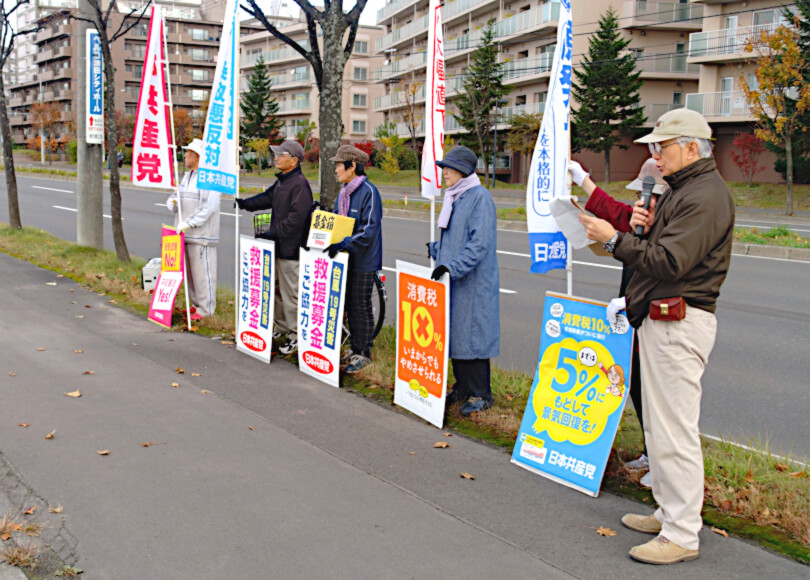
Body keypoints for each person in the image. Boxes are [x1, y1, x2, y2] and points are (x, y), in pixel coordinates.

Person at [578, 109, 735, 565]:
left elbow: (670, 262)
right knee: (659, 427)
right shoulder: (686, 190)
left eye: (662, 147)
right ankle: (671, 512)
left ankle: (683, 532)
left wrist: (614, 240)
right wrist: (637, 229)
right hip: (662, 317)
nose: (655, 155)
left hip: (680, 319)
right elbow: (659, 249)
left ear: (690, 147)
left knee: (675, 430)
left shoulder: (704, 195)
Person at [568, 157, 668, 487]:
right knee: (638, 387)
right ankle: (650, 453)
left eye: (648, 195)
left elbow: (664, 270)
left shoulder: (670, 226)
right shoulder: (639, 219)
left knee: (659, 399)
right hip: (634, 318)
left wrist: (630, 301)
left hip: (656, 319)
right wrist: (583, 180)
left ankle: (664, 467)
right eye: (640, 195)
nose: (641, 202)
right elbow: (613, 212)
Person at [427, 146, 500, 417]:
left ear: (465, 171)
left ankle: (482, 393)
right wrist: (437, 249)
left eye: (450, 167)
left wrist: (450, 266)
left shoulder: (479, 197)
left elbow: (478, 245)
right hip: (456, 278)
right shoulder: (456, 196)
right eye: (444, 166)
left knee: (474, 336)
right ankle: (463, 387)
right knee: (456, 333)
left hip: (473, 279)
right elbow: (456, 238)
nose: (444, 172)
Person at [235, 140, 312, 355]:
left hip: (291, 250)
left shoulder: (299, 184)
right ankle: (282, 327)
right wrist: (244, 203)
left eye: (281, 155)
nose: (276, 158)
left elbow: (297, 220)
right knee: (276, 291)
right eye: (276, 154)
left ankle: (296, 334)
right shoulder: (282, 182)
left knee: (290, 294)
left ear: (294, 160)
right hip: (276, 247)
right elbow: (267, 198)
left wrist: (273, 233)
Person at [327, 145, 383, 374]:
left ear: (352, 166)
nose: (336, 170)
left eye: (339, 165)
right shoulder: (343, 192)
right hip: (344, 259)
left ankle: (364, 353)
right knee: (348, 304)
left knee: (360, 306)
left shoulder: (369, 191)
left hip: (363, 260)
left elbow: (368, 230)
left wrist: (344, 243)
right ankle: (354, 347)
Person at [166, 138, 220, 321]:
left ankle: (206, 310)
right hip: (185, 234)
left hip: (201, 234)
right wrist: (173, 201)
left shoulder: (209, 177)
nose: (185, 156)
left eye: (188, 153)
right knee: (190, 274)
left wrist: (189, 222)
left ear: (196, 156)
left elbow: (208, 207)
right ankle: (197, 305)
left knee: (203, 273)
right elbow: (178, 195)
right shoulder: (188, 175)